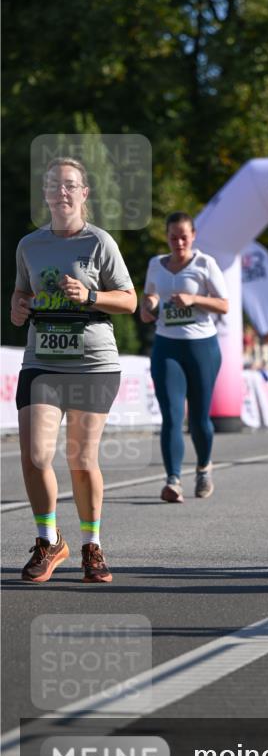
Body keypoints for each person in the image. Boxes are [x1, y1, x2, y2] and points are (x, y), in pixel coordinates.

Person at [11, 157, 137, 584]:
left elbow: (129, 300)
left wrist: (89, 294)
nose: (61, 192)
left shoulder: (99, 242)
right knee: (34, 455)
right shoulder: (29, 245)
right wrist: (18, 306)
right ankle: (49, 540)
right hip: (41, 362)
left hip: (91, 364)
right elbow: (20, 295)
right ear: (45, 195)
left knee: (81, 458)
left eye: (70, 185)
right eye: (53, 186)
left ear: (84, 193)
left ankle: (92, 545)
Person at [141, 212, 228, 502]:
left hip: (201, 347)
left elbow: (224, 305)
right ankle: (173, 480)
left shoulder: (205, 264)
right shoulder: (156, 264)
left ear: (193, 236)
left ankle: (203, 468)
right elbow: (148, 303)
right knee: (172, 417)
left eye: (183, 236)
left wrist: (195, 299)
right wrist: (150, 304)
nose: (178, 242)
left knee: (200, 418)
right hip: (167, 347)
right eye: (173, 237)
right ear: (166, 237)